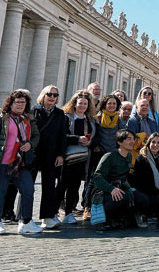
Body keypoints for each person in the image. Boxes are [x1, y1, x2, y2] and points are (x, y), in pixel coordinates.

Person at [0, 90, 42, 235]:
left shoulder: (29, 119)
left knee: (28, 190)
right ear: (10, 103)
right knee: (0, 191)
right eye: (17, 102)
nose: (20, 105)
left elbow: (36, 136)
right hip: (4, 161)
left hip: (21, 162)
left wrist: (30, 144)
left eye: (23, 102)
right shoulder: (2, 117)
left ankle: (26, 222)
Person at [90, 130, 150, 230]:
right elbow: (97, 177)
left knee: (143, 199)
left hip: (121, 188)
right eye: (129, 139)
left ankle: (127, 218)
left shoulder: (129, 156)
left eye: (133, 139)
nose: (132, 141)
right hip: (105, 192)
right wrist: (111, 189)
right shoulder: (109, 156)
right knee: (122, 198)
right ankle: (107, 219)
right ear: (119, 142)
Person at [30, 85, 67, 229]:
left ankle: (47, 217)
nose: (52, 97)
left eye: (55, 95)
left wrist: (61, 155)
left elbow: (62, 136)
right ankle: (25, 218)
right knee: (28, 187)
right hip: (34, 152)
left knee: (49, 186)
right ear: (43, 95)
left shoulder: (60, 114)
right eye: (49, 94)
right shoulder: (33, 110)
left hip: (51, 154)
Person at [59, 90, 98, 224]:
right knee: (62, 185)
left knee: (74, 186)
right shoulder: (66, 117)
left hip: (83, 158)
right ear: (74, 104)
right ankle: (53, 212)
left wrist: (90, 142)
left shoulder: (91, 120)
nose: (82, 106)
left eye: (85, 104)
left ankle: (69, 213)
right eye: (80, 103)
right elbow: (61, 135)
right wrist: (77, 139)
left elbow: (97, 138)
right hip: (66, 157)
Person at [130, 132, 159, 226]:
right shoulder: (142, 158)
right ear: (148, 143)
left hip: (156, 190)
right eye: (153, 142)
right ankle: (142, 214)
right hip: (145, 192)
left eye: (158, 143)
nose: (155, 145)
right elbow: (142, 183)